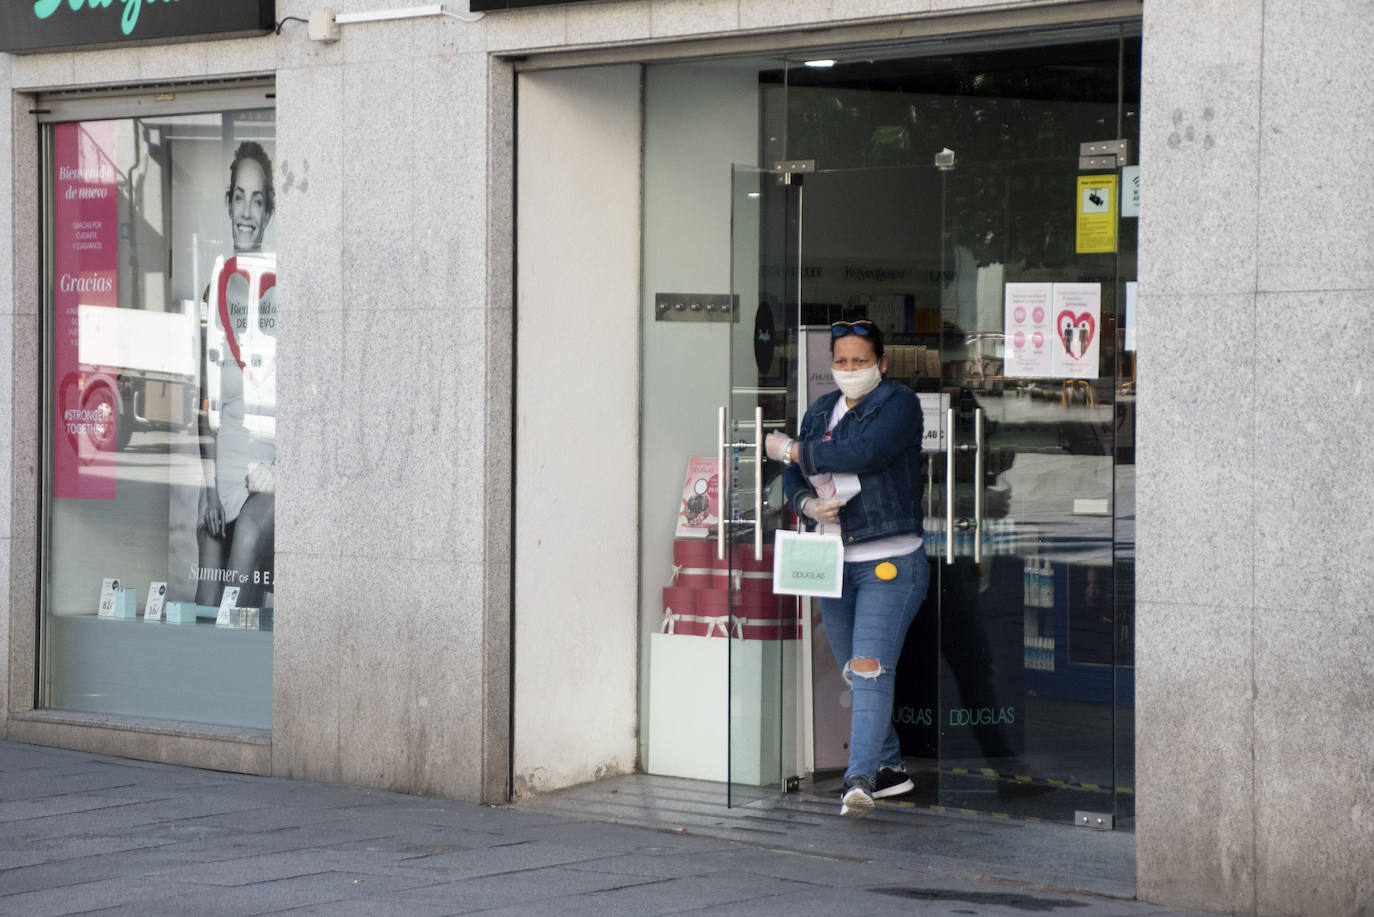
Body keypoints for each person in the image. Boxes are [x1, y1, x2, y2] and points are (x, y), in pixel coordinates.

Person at [766, 319, 929, 818]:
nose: (850, 370)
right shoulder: (821, 410)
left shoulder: (898, 404)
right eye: (842, 361)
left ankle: (858, 780)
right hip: (832, 561)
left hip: (889, 560)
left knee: (869, 668)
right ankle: (890, 769)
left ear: (881, 363)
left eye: (860, 361)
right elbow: (796, 477)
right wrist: (806, 506)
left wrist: (792, 448)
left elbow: (862, 453)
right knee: (855, 674)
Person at [195, 141, 276, 609]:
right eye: (240, 197)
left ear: (268, 213)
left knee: (246, 536)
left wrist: (283, 472)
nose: (247, 211)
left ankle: (239, 675)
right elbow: (204, 404)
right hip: (222, 481)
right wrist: (207, 492)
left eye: (258, 200)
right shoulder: (214, 290)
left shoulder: (282, 290)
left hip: (268, 477)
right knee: (206, 598)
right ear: (228, 204)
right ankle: (205, 681)